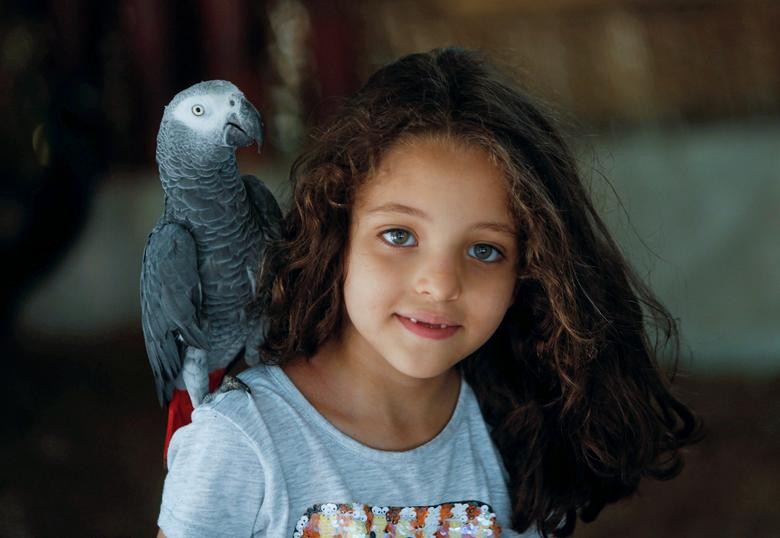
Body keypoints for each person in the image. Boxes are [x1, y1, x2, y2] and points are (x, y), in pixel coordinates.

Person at [156, 47, 701, 537]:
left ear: (530, 274)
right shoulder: (239, 443)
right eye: (399, 235)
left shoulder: (521, 433)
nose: (439, 284)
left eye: (485, 250)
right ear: (335, 234)